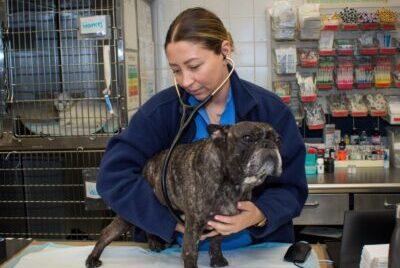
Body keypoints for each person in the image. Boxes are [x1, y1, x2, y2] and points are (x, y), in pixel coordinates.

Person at [97, 7, 308, 249]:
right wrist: (166, 220)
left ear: (224, 51)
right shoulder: (160, 112)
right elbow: (113, 176)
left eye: (194, 66)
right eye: (176, 70)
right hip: (175, 253)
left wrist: (259, 213)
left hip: (255, 251)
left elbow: (292, 187)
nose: (185, 81)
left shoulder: (269, 110)